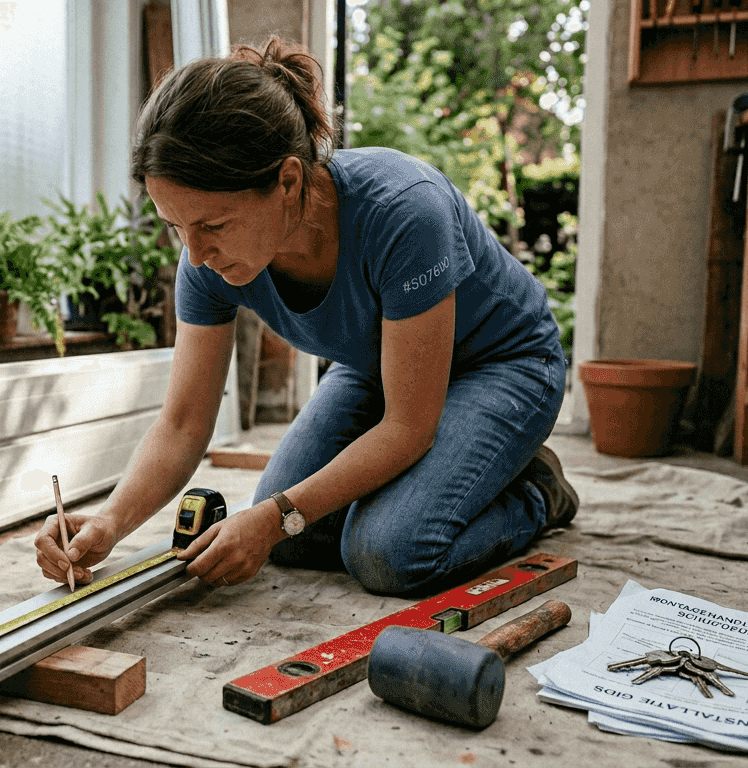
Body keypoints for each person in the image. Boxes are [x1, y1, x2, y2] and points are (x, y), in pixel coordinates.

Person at [35, 36, 578, 597]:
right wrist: (111, 520)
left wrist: (278, 514)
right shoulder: (205, 258)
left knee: (387, 552)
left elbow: (409, 426)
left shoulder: (405, 212)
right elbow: (182, 425)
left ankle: (535, 489)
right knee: (292, 539)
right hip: (375, 366)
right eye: (176, 226)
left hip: (504, 365)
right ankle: (450, 480)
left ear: (288, 180)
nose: (194, 255)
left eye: (213, 226)